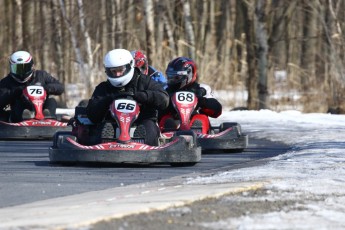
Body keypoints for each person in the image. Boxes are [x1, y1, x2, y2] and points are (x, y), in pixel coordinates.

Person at [86, 48, 169, 146]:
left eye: (120, 70)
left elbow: (164, 99)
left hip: (142, 122)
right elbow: (92, 115)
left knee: (149, 129)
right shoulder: (104, 87)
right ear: (107, 71)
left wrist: (143, 96)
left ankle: (144, 147)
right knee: (103, 128)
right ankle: (105, 148)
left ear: (130, 66)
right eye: (113, 71)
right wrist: (108, 99)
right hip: (113, 124)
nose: (117, 74)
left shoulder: (145, 81)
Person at [159, 57, 222, 134]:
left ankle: (198, 134)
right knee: (167, 120)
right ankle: (167, 137)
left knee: (201, 118)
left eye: (176, 77)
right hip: (174, 124)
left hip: (195, 123)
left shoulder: (202, 89)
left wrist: (202, 102)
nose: (172, 80)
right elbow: (156, 112)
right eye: (170, 77)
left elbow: (217, 111)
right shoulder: (165, 89)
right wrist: (168, 104)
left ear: (189, 75)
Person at [0, 50, 64, 122]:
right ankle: (26, 117)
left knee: (51, 101)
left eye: (25, 68)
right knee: (18, 102)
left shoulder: (41, 75)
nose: (22, 73)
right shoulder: (7, 81)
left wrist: (46, 88)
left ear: (32, 66)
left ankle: (49, 117)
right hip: (19, 114)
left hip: (42, 109)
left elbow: (60, 87)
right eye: (18, 69)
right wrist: (15, 92)